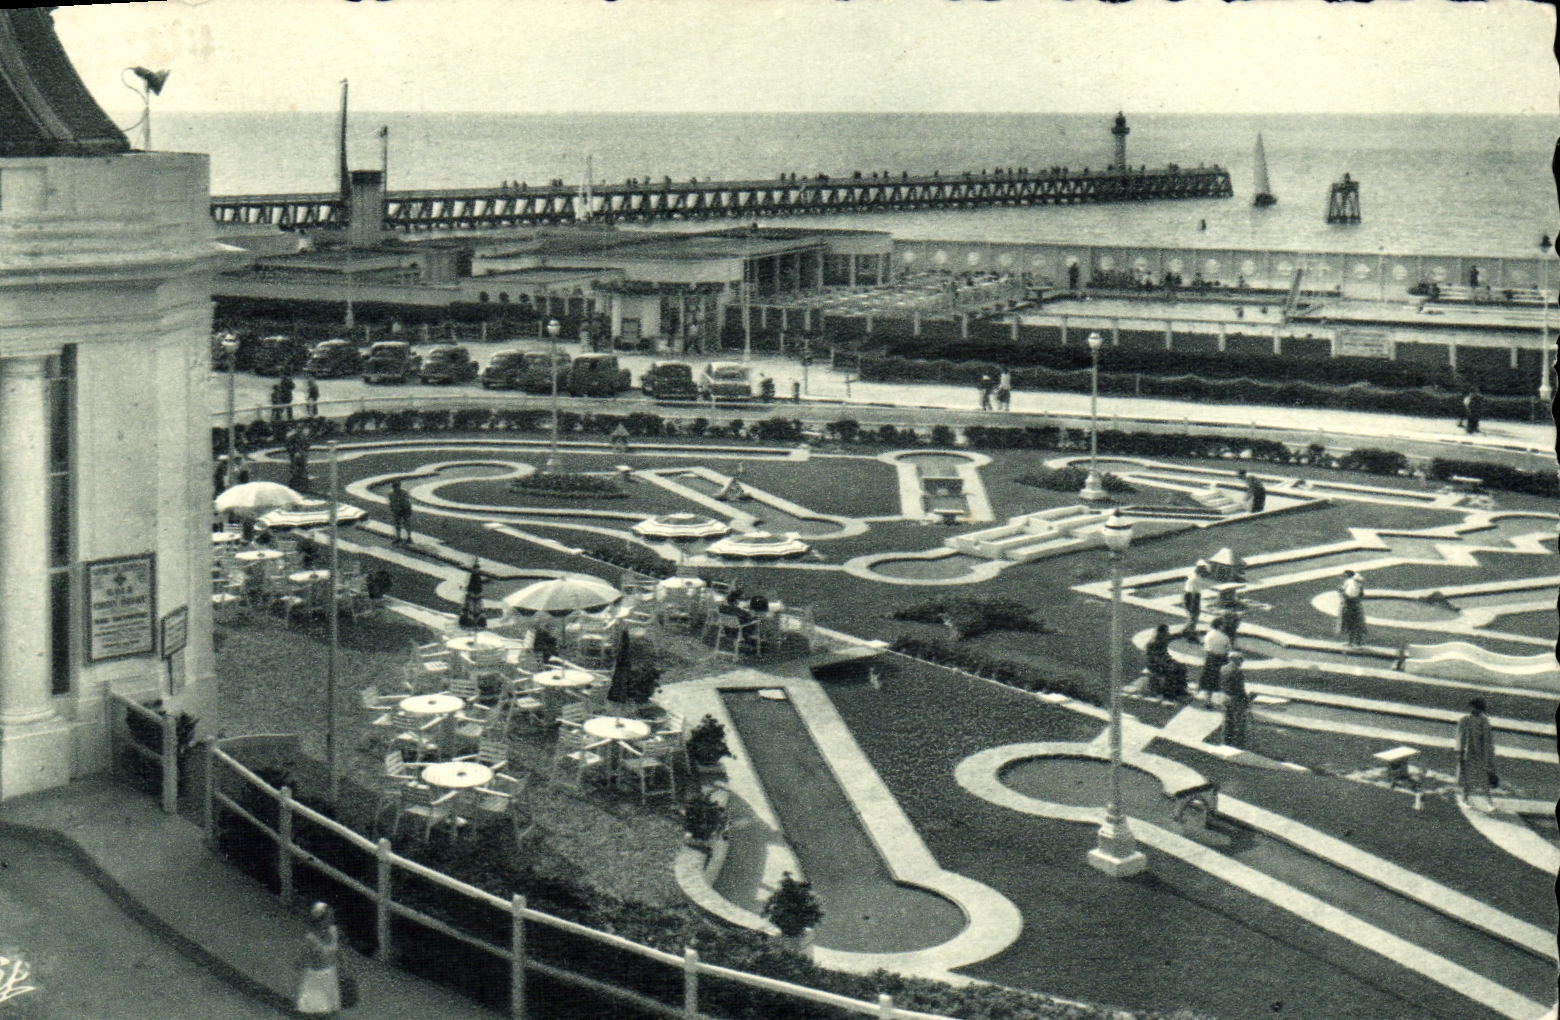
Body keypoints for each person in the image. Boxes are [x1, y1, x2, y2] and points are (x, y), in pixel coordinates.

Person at [295, 901, 341, 1016]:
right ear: (320, 920)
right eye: (328, 917)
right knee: (318, 1013)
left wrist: (344, 968)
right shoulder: (311, 939)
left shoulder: (333, 931)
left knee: (331, 1013)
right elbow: (302, 959)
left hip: (331, 977)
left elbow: (338, 952)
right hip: (315, 981)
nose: (331, 920)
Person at [1456, 697, 1495, 807]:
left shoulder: (1485, 721)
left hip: (1481, 754)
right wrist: (1459, 752)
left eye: (1479, 709)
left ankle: (1489, 802)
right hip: (1468, 753)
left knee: (1484, 778)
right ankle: (1464, 799)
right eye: (1475, 708)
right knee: (1466, 778)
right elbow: (1460, 737)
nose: (1476, 710)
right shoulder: (1464, 720)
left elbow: (1488, 740)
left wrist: (1489, 754)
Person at [1144, 623, 1188, 700]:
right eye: (1166, 632)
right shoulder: (1153, 643)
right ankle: (1168, 693)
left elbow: (1175, 636)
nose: (1167, 633)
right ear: (1161, 633)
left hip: (1163, 662)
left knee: (1182, 667)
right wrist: (1170, 664)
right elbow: (1156, 658)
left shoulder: (1164, 638)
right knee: (1172, 670)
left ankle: (1181, 690)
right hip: (1155, 665)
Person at [1219, 652, 1250, 748]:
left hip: (1225, 696)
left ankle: (1225, 742)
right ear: (1235, 660)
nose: (1241, 662)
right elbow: (1240, 688)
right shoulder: (1237, 671)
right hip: (1235, 699)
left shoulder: (1223, 668)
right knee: (1240, 722)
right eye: (1240, 660)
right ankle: (1239, 744)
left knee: (1227, 721)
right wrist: (1246, 700)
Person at [1198, 617, 1232, 700]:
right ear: (1220, 626)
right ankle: (1221, 700)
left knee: (1208, 681)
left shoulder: (1208, 635)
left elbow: (1205, 647)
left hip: (1210, 659)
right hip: (1221, 659)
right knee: (1221, 680)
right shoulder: (1224, 637)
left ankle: (1208, 700)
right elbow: (1228, 649)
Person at [1181, 561, 1211, 638]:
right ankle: (1188, 632)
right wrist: (1193, 604)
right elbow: (1194, 593)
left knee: (1193, 616)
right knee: (1194, 616)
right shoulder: (1196, 579)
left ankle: (1188, 631)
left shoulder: (1193, 575)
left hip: (1189, 595)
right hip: (1192, 596)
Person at [1338, 570, 1367, 647]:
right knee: (1357, 623)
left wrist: (1342, 593)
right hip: (1356, 604)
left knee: (1350, 623)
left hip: (1350, 604)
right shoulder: (1358, 583)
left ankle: (1352, 642)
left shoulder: (1348, 582)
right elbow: (1361, 594)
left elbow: (1346, 594)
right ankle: (1357, 643)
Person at [387, 478, 413, 544]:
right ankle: (398, 537)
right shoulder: (391, 494)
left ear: (399, 486)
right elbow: (391, 502)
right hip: (397, 510)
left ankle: (409, 537)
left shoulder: (404, 493)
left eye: (397, 486)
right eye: (394, 486)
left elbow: (407, 502)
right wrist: (393, 509)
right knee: (397, 524)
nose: (396, 488)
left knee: (407, 523)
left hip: (405, 509)